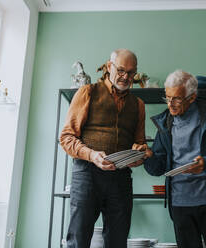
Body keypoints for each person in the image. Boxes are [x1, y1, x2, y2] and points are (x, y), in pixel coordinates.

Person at [60, 49, 152, 248]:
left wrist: (140, 153)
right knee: (78, 239)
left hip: (121, 179)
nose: (126, 77)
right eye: (121, 70)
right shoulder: (87, 92)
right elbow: (66, 138)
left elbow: (139, 144)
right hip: (87, 174)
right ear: (109, 67)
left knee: (118, 241)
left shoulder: (139, 105)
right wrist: (92, 155)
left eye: (131, 72)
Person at [144, 70, 206, 248]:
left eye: (177, 99)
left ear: (192, 97)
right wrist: (148, 157)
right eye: (167, 97)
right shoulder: (165, 123)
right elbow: (157, 168)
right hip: (180, 205)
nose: (170, 104)